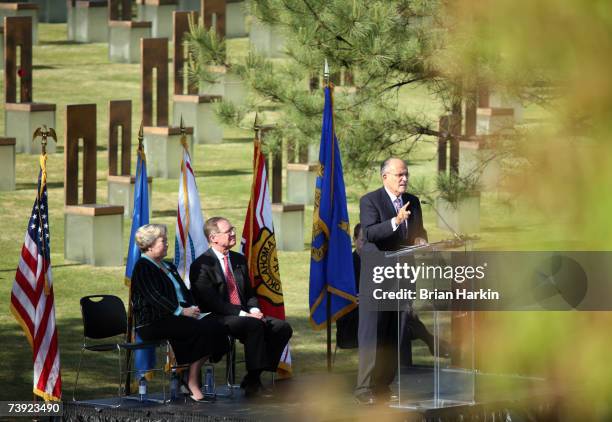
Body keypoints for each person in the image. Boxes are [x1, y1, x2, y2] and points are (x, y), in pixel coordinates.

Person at [189, 217, 293, 398]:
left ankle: (253, 376)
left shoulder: (238, 259)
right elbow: (212, 302)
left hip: (244, 314)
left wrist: (253, 310)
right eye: (228, 231)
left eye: (233, 229)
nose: (233, 233)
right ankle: (254, 384)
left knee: (282, 327)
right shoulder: (201, 265)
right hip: (216, 316)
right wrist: (244, 314)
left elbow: (250, 293)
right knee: (254, 325)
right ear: (214, 237)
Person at [354, 157, 429, 405]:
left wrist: (420, 241)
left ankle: (383, 386)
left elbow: (419, 232)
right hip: (378, 278)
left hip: (403, 278)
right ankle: (364, 388)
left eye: (406, 174)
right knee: (372, 334)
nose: (404, 179)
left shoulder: (414, 202)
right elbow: (370, 232)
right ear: (385, 177)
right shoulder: (370, 200)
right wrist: (396, 221)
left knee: (393, 335)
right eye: (399, 175)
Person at [131, 224, 230, 402]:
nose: (167, 244)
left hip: (178, 317)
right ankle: (191, 381)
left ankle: (186, 374)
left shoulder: (168, 266)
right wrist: (181, 311)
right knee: (199, 328)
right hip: (153, 322)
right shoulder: (143, 267)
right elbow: (155, 297)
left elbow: (184, 292)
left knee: (217, 325)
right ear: (150, 244)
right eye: (163, 241)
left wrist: (194, 308)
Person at [335, 223, 363, 349]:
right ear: (354, 240)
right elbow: (339, 297)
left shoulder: (377, 263)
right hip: (351, 318)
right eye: (363, 240)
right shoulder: (346, 265)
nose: (366, 245)